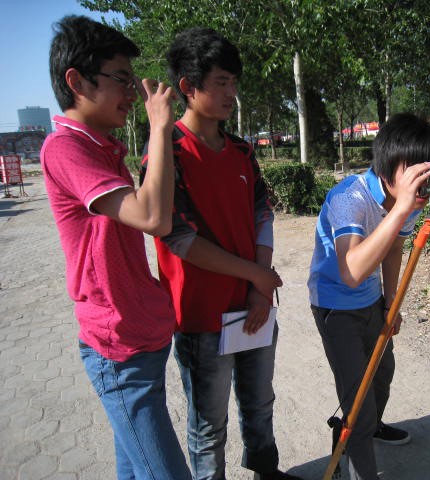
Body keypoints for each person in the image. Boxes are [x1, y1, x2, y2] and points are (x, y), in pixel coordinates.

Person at [142, 27, 300, 480]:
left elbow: (262, 214)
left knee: (260, 402)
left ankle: (267, 469)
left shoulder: (242, 151)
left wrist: (258, 286)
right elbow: (178, 238)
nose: (232, 93)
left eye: (234, 82)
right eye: (221, 82)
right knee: (209, 425)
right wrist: (256, 275)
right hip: (201, 316)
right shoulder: (167, 154)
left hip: (253, 304)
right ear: (188, 87)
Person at [41, 15, 191, 480]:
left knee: (134, 466)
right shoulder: (65, 148)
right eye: (121, 79)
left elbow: (150, 215)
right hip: (117, 349)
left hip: (138, 334)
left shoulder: (102, 148)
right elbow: (153, 218)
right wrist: (160, 127)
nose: (131, 92)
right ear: (77, 81)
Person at [308, 113, 430, 480]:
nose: (422, 180)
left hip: (371, 301)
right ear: (388, 165)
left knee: (383, 373)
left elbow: (394, 249)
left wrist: (390, 302)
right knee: (358, 403)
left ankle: (370, 426)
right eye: (414, 169)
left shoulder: (406, 200)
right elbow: (352, 271)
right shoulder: (348, 197)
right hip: (335, 307)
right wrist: (400, 209)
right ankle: (357, 444)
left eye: (428, 169)